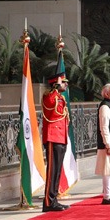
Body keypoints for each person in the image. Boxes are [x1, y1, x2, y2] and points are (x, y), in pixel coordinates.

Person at [41, 72, 71, 212]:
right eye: (63, 82)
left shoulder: (60, 97)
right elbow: (51, 107)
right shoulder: (50, 96)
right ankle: (48, 202)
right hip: (53, 137)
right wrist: (55, 88)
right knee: (52, 171)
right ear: (56, 84)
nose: (66, 84)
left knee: (57, 171)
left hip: (60, 137)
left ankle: (54, 199)